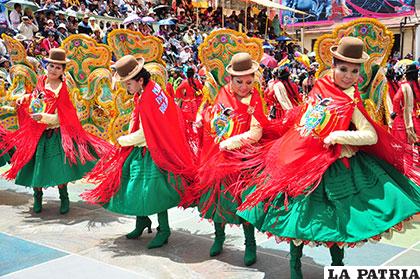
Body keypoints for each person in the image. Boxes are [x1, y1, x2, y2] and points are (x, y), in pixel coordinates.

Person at [233, 37, 420, 278]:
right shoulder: (319, 87)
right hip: (303, 160)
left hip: (334, 167)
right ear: (332, 67)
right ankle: (295, 266)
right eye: (343, 69)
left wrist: (340, 136)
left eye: (354, 70)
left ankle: (337, 267)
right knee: (297, 218)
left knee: (336, 222)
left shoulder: (351, 99)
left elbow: (370, 135)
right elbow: (307, 121)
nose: (348, 76)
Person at [82, 55, 195, 249]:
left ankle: (164, 229)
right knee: (135, 187)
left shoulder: (149, 97)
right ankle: (142, 221)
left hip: (153, 152)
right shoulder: (150, 91)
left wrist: (122, 140)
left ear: (140, 79)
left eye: (128, 83)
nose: (126, 87)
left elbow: (147, 133)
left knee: (155, 192)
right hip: (150, 148)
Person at [1, 48, 111, 214]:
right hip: (37, 134)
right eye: (51, 66)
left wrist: (44, 117)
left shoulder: (63, 88)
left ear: (62, 71)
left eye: (58, 67)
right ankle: (37, 197)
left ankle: (64, 197)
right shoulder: (41, 81)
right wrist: (25, 99)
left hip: (56, 134)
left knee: (60, 170)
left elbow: (63, 117)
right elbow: (35, 100)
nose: (53, 70)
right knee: (37, 168)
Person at [189, 52, 269, 266]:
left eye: (249, 82)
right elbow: (215, 119)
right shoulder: (223, 94)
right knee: (217, 200)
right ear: (230, 80)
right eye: (239, 81)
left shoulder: (255, 100)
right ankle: (219, 237)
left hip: (243, 161)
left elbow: (256, 133)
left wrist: (229, 143)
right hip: (217, 159)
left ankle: (250, 243)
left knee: (242, 203)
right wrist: (201, 121)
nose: (244, 86)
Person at [391, 64, 419, 145]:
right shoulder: (418, 84)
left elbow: (396, 99)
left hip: (407, 116)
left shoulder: (404, 86)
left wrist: (397, 112)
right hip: (417, 114)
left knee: (404, 141)